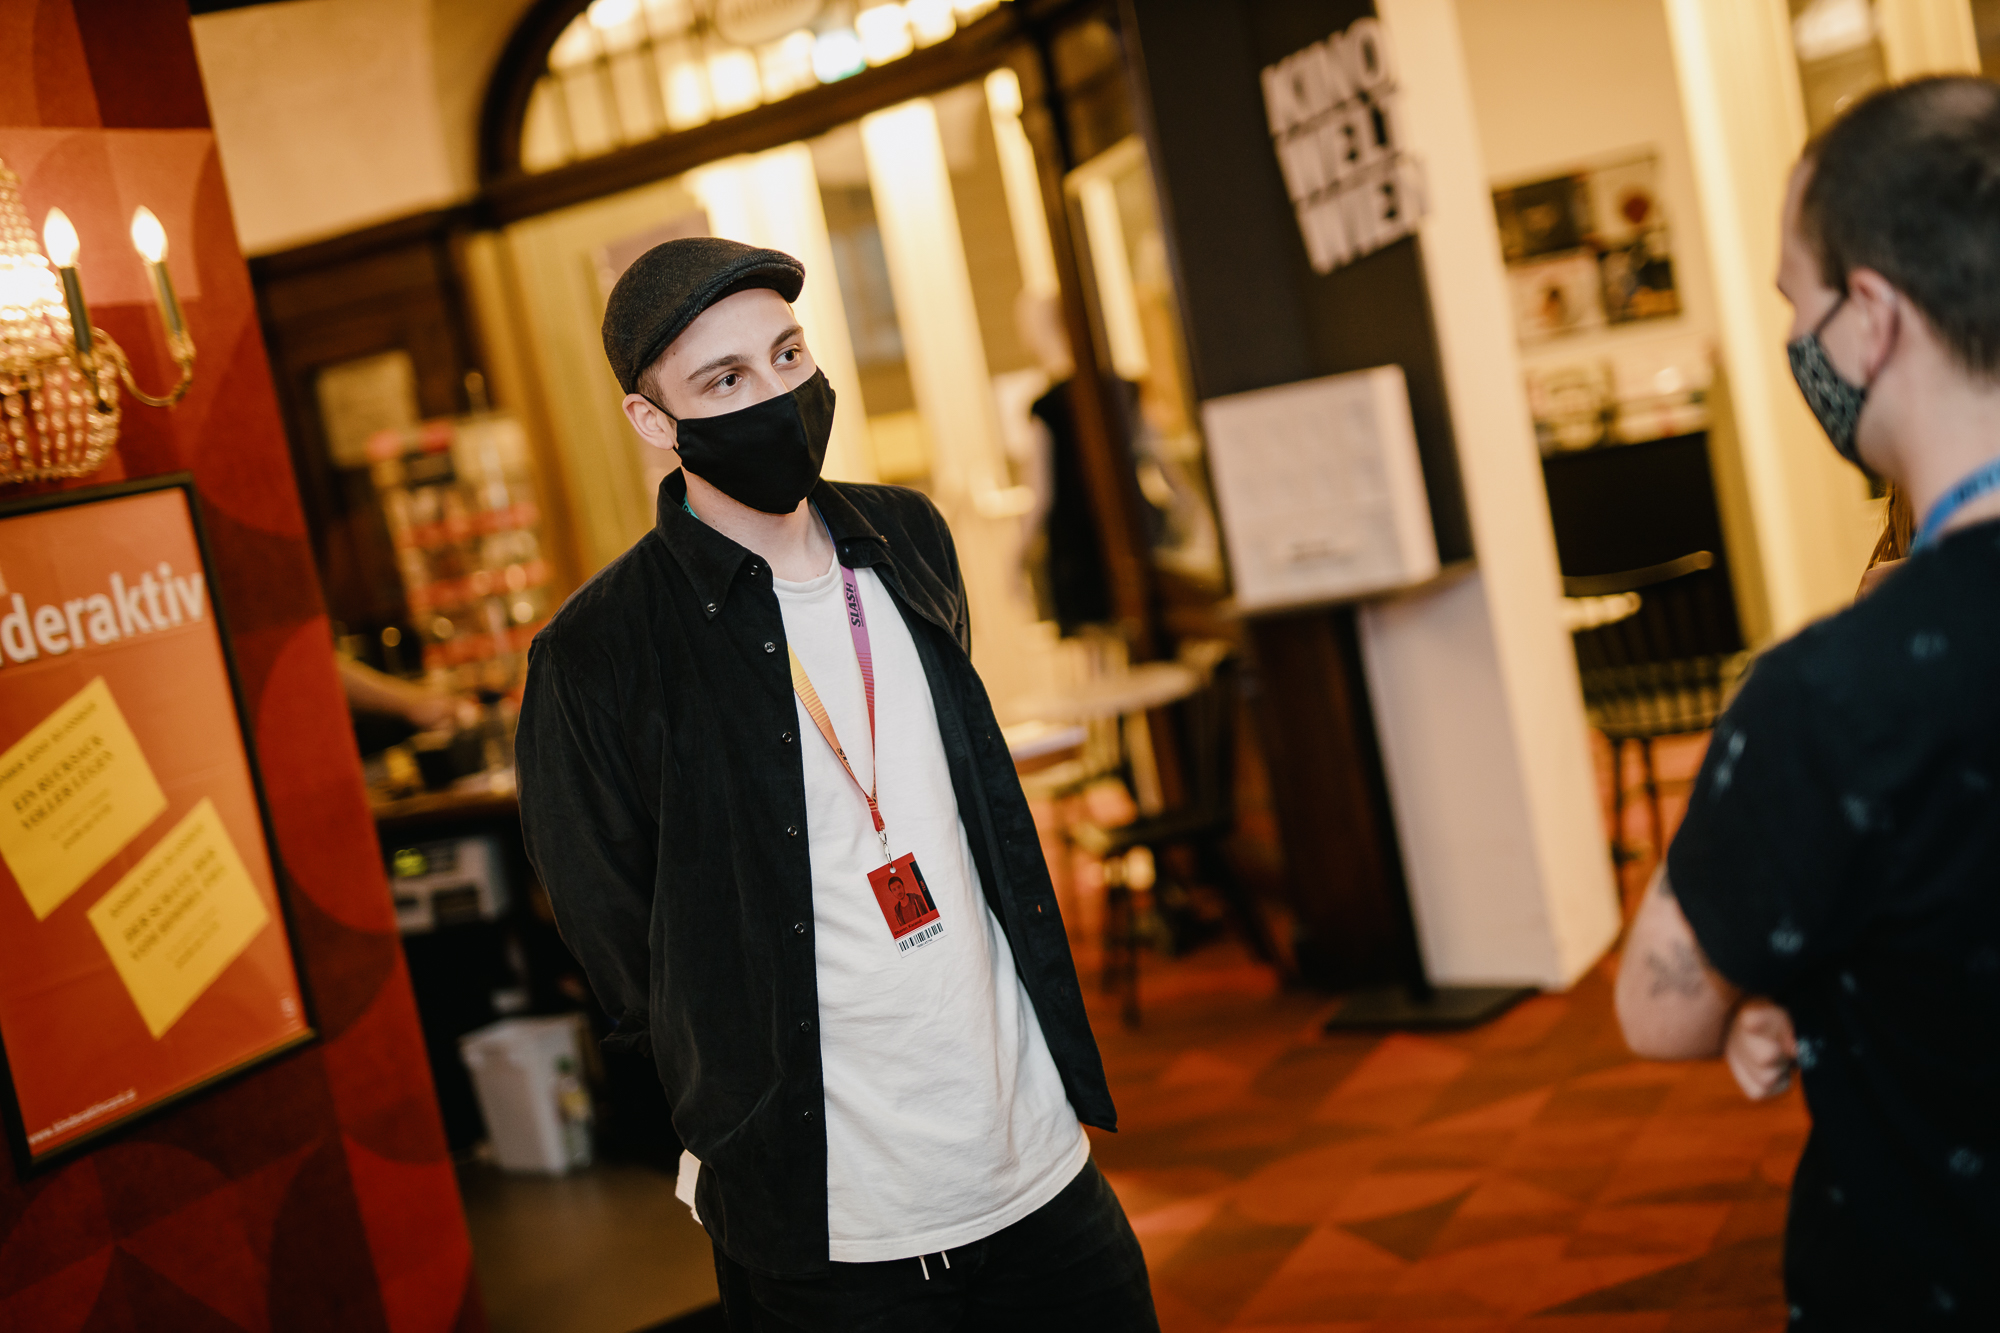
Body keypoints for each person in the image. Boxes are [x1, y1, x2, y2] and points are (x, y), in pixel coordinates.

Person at [514, 236, 1157, 1330]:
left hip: (1037, 1168)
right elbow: (619, 944)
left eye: (787, 355)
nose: (775, 395)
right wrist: (732, 1100)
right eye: (724, 380)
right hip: (829, 1234)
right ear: (652, 421)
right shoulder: (596, 654)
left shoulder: (907, 536)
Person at [1615, 78, 2000, 1327]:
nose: (1796, 341)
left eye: (1797, 304)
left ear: (1872, 318)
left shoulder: (1830, 694)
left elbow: (1659, 1010)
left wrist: (1795, 979)